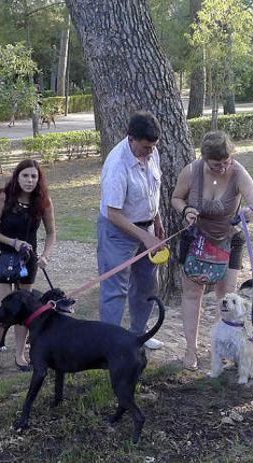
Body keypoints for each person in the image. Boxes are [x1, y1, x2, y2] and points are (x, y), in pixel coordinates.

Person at [171, 130, 253, 370]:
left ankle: (219, 346)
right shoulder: (191, 171)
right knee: (192, 294)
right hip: (197, 240)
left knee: (225, 298)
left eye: (227, 162)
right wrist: (186, 211)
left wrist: (251, 212)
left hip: (229, 241)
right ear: (204, 159)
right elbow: (176, 198)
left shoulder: (238, 172)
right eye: (216, 165)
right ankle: (191, 349)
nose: (223, 168)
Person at [97, 111, 166, 350]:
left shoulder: (152, 152)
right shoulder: (117, 165)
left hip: (146, 228)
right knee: (115, 289)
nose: (150, 152)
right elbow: (114, 213)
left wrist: (156, 221)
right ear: (131, 139)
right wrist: (145, 237)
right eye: (146, 147)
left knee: (147, 285)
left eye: (153, 146)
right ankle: (110, 345)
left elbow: (151, 191)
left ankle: (139, 335)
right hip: (117, 232)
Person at [0, 159, 56, 374]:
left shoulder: (43, 201)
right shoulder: (4, 197)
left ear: (38, 179)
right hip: (2, 257)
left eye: (34, 176)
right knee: (2, 307)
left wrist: (45, 255)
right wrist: (13, 242)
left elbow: (51, 232)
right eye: (25, 175)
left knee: (24, 309)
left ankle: (20, 354)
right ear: (17, 176)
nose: (29, 180)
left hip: (28, 260)